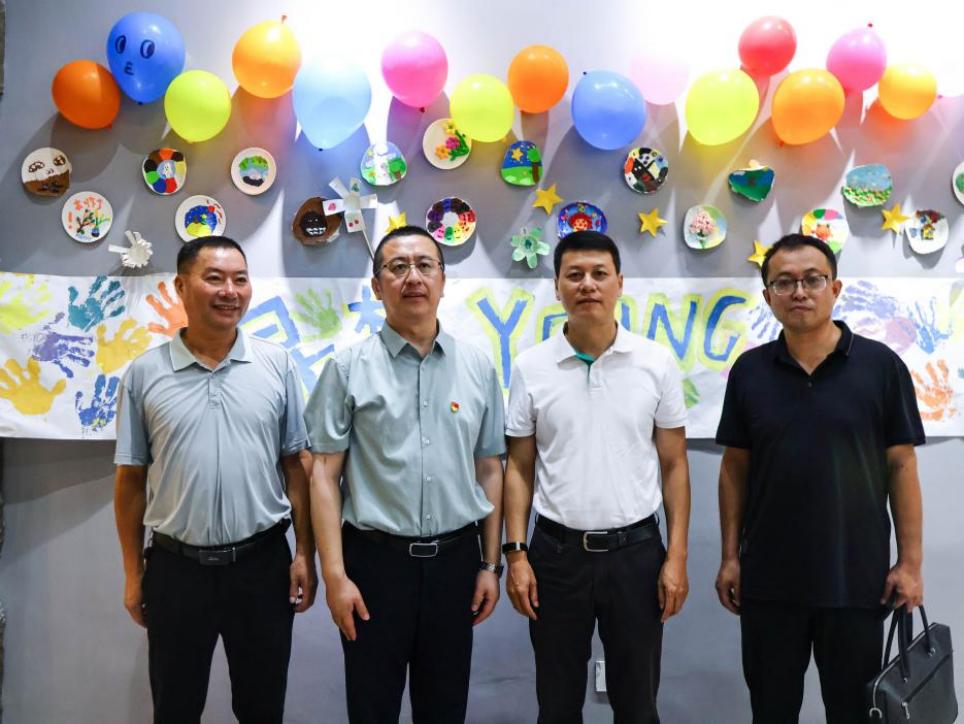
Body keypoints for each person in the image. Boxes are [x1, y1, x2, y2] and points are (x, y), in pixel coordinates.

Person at [714, 233, 925, 723]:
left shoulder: (881, 366)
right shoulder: (749, 371)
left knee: (853, 713)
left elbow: (901, 466)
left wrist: (910, 563)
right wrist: (729, 557)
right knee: (771, 712)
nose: (799, 292)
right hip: (768, 582)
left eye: (812, 279)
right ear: (767, 296)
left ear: (835, 288)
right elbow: (734, 468)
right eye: (784, 282)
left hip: (857, 581)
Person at [305, 225, 505, 724]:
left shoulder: (478, 367)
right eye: (397, 267)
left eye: (424, 265)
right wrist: (335, 576)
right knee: (372, 708)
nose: (412, 277)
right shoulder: (346, 368)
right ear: (377, 287)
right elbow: (324, 476)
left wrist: (490, 564)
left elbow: (489, 468)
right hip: (374, 566)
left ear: (443, 280)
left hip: (455, 564)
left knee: (445, 709)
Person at [113, 236, 316, 724]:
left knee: (262, 707)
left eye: (240, 279)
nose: (230, 291)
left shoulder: (276, 364)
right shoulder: (144, 375)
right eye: (215, 278)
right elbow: (131, 480)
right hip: (176, 571)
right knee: (176, 708)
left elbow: (297, 465)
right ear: (182, 287)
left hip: (262, 566)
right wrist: (132, 574)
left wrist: (304, 554)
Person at [503, 230, 691, 723]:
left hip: (637, 555)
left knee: (638, 704)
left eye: (599, 274)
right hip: (555, 556)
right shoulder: (531, 366)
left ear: (619, 283)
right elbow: (518, 467)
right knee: (557, 703)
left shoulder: (655, 362)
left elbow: (674, 464)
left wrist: (676, 556)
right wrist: (516, 554)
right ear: (557, 287)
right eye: (575, 275)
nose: (587, 284)